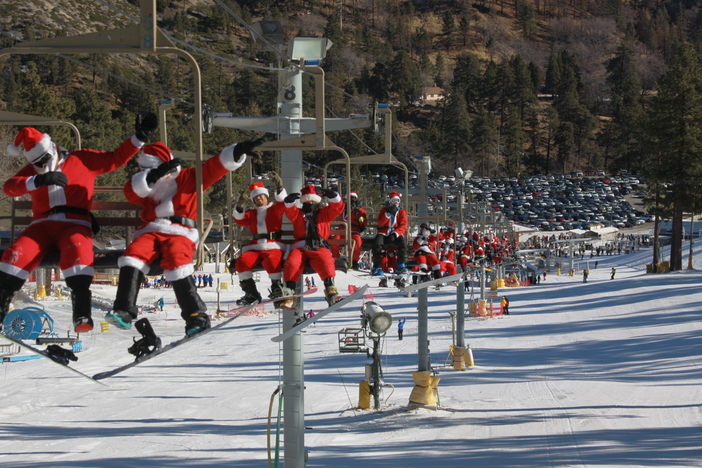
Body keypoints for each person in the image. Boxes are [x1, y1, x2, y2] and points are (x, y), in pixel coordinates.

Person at [0, 114, 158, 333]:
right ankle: (2, 303)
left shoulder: (82, 160)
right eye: (37, 163)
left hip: (75, 222)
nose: (43, 166)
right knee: (17, 252)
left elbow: (115, 158)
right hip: (42, 225)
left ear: (53, 148)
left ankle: (82, 312)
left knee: (78, 248)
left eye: (45, 159)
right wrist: (38, 180)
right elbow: (10, 187)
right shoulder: (33, 173)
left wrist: (138, 138)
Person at [105, 137, 258, 336]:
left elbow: (214, 167)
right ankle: (124, 309)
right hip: (151, 231)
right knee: (133, 254)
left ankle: (196, 314)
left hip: (180, 231)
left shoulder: (189, 178)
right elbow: (131, 192)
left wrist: (235, 152)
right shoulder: (148, 188)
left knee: (177, 258)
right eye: (146, 171)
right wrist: (152, 177)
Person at [281, 185, 345, 306]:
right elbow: (291, 213)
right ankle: (289, 291)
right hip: (300, 246)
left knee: (325, 260)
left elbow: (336, 208)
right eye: (307, 201)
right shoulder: (299, 214)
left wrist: (332, 195)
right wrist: (289, 203)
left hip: (318, 245)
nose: (310, 203)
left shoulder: (323, 214)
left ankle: (330, 288)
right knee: (293, 262)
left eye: (312, 201)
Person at [231, 172, 287, 305]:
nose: (259, 199)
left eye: (261, 196)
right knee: (242, 262)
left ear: (266, 196)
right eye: (256, 198)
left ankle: (276, 287)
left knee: (272, 261)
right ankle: (251, 293)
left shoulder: (274, 209)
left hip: (273, 244)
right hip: (255, 246)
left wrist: (279, 188)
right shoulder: (252, 213)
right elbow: (239, 219)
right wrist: (240, 205)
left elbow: (283, 202)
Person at [372, 191, 408, 276]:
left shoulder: (401, 212)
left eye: (397, 201)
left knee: (402, 244)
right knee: (377, 245)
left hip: (395, 233)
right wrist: (387, 215)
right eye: (394, 201)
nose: (396, 203)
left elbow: (403, 225)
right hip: (383, 232)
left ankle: (400, 265)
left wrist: (396, 233)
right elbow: (380, 223)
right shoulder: (384, 211)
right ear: (390, 202)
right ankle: (377, 266)